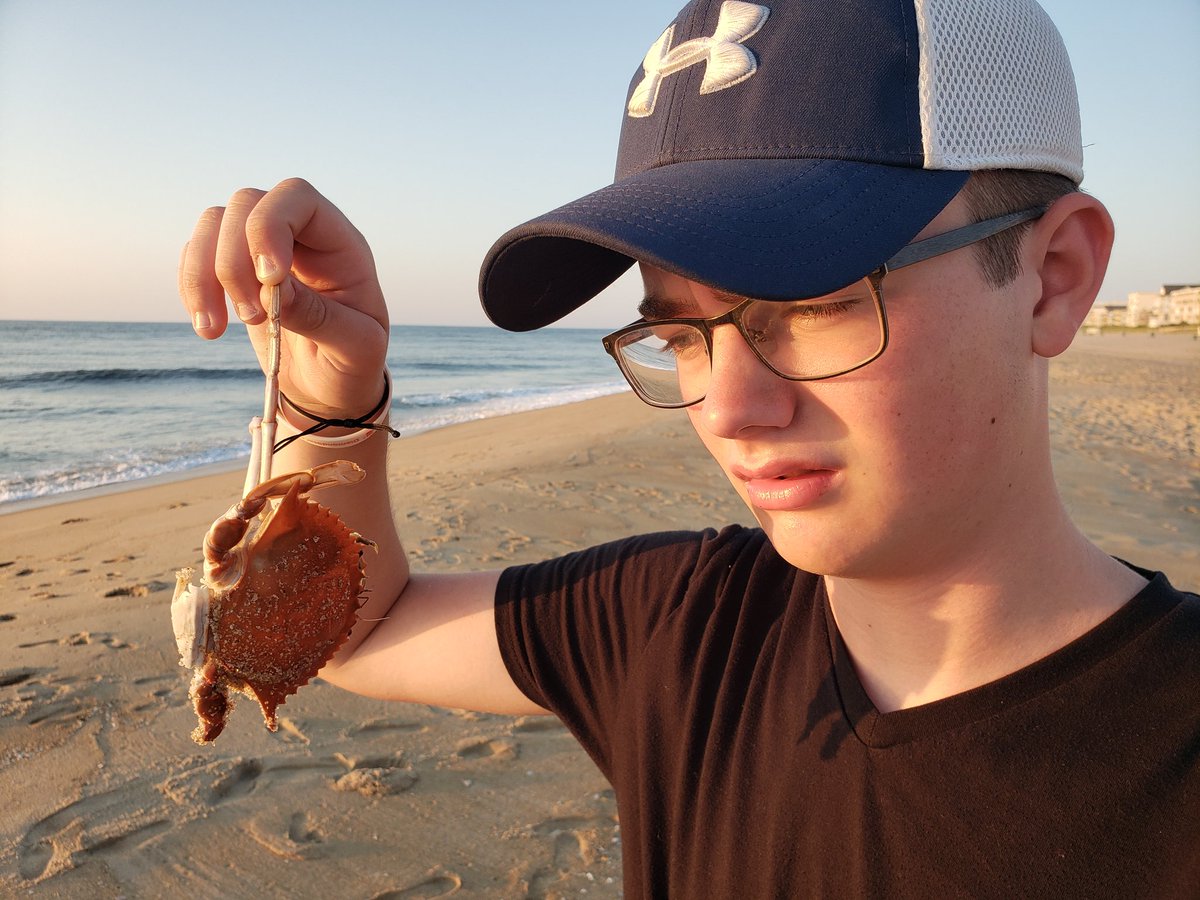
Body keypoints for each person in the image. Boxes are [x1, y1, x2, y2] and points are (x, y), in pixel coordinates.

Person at [178, 0, 1199, 896]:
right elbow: (345, 632)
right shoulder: (685, 633)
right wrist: (329, 399)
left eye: (815, 301)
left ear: (1055, 276)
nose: (728, 406)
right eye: (676, 333)